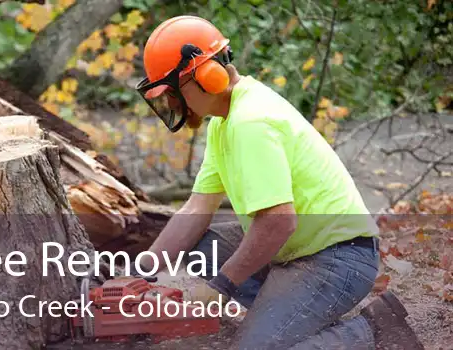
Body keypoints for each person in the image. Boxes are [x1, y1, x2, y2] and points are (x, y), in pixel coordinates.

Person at [131, 15, 424, 349]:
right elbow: (197, 207)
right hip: (297, 249)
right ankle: (286, 318)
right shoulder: (223, 122)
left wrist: (220, 287)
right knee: (202, 248)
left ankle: (372, 330)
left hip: (338, 258)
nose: (170, 103)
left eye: (172, 91)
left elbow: (278, 222)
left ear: (206, 77)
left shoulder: (250, 121)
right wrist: (141, 272)